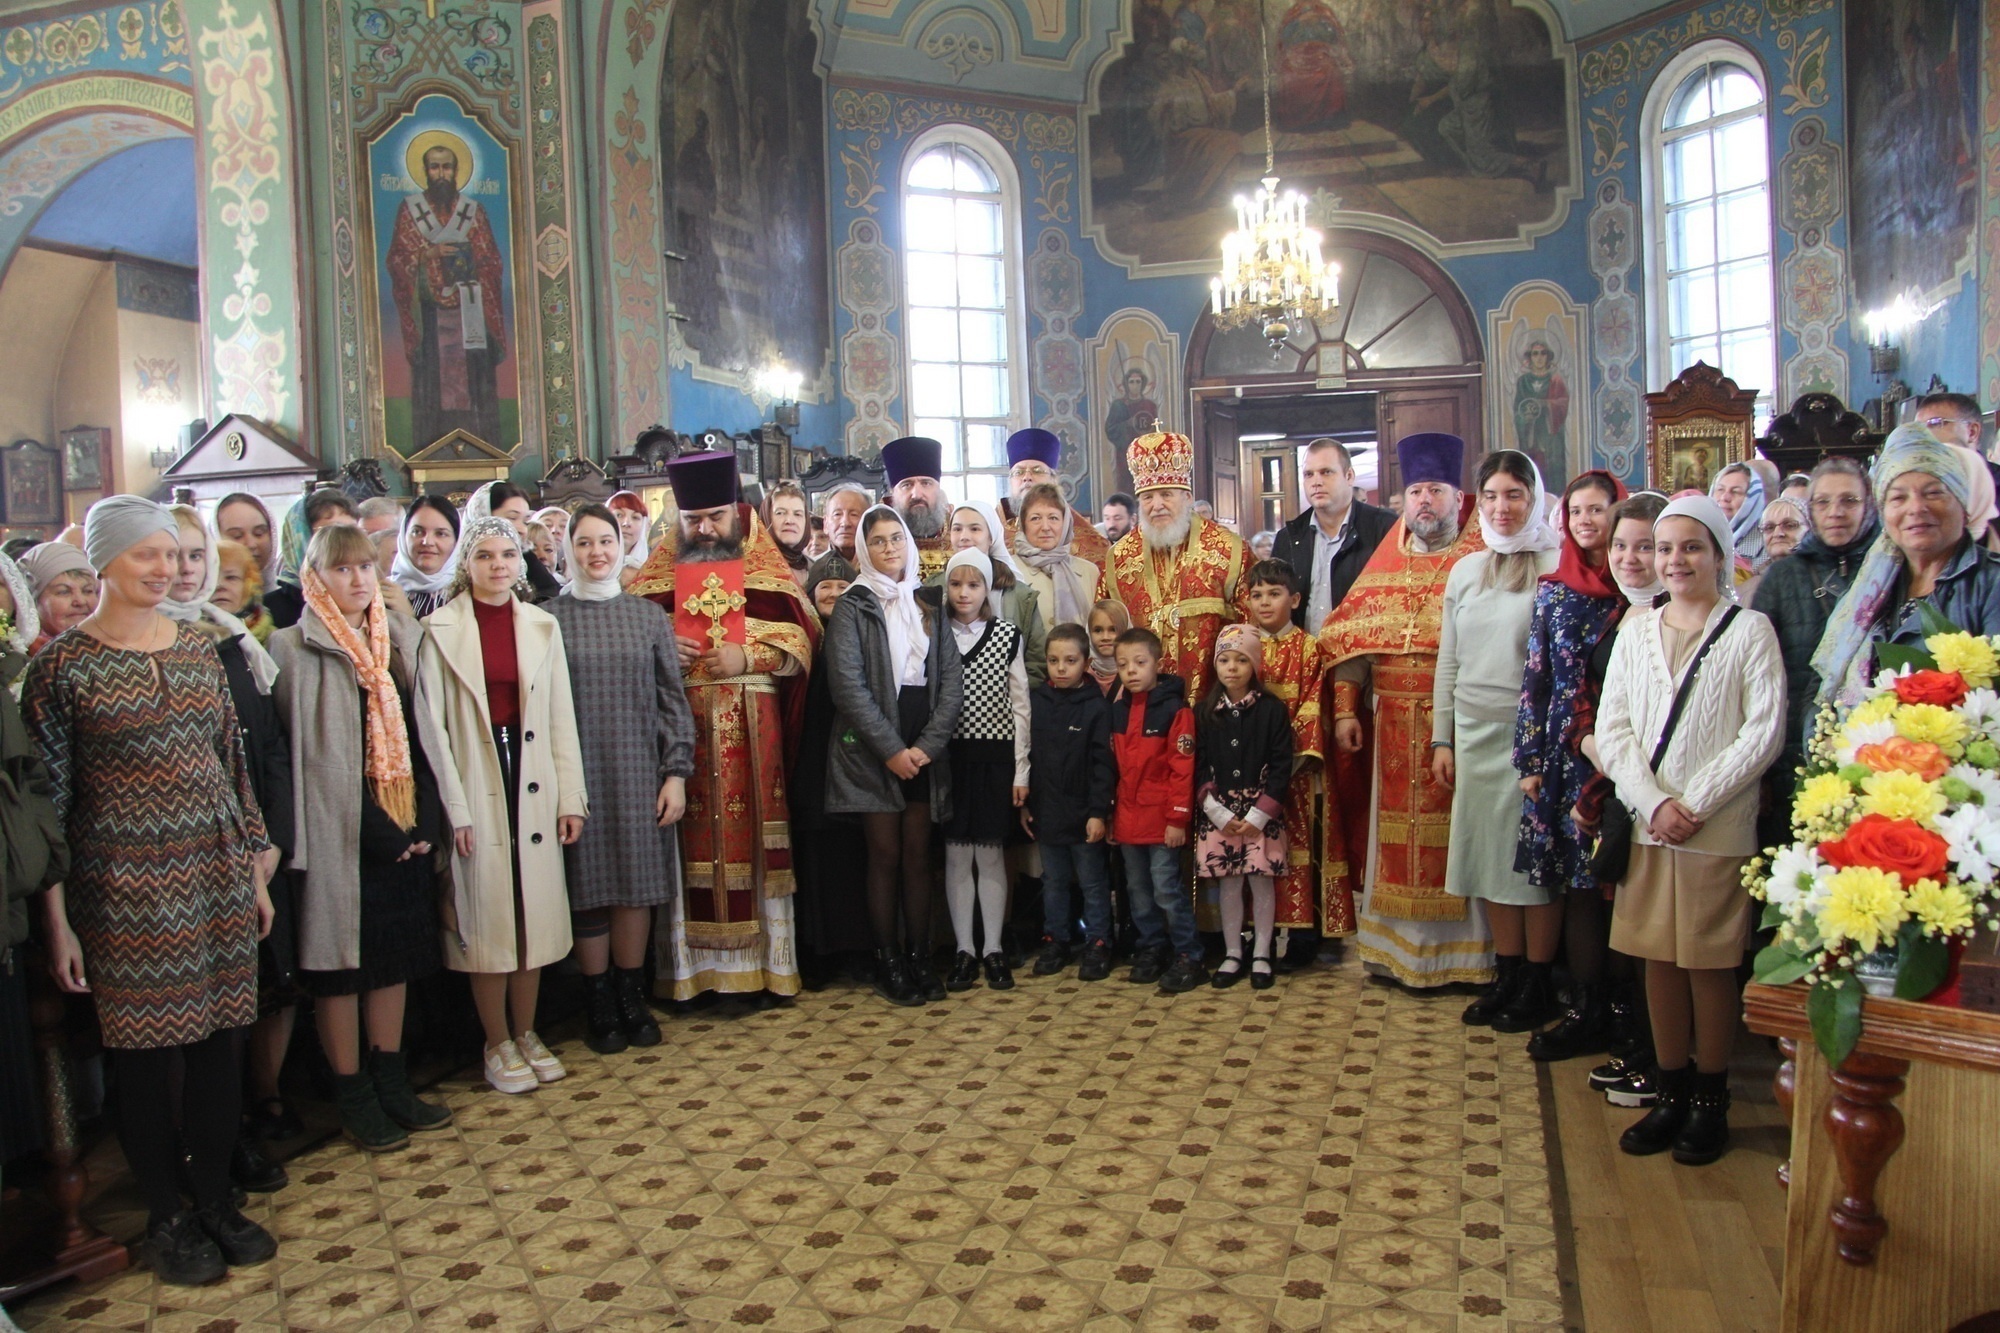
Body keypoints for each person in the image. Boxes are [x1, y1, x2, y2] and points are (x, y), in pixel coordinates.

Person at [28, 495, 281, 1285]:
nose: (167, 568)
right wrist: (59, 923)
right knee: (145, 1057)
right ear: (104, 561)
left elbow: (232, 766)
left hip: (215, 873)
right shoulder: (63, 668)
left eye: (173, 554)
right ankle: (166, 1214)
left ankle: (215, 1199)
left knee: (217, 1047)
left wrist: (254, 865)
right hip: (124, 889)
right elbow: (48, 806)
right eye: (148, 554)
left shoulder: (199, 648)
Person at [1597, 495, 1783, 1165]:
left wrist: (1692, 803)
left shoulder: (1749, 630)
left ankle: (1710, 1097)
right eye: (1664, 548)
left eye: (1691, 547)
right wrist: (1653, 803)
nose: (1675, 560)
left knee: (1708, 964)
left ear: (1719, 554)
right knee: (1658, 961)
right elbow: (1613, 729)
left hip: (1715, 826)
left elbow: (1762, 730)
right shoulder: (1637, 630)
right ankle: (1670, 1089)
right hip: (1652, 825)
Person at [270, 523, 457, 1152]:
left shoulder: (397, 637)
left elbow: (423, 731)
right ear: (314, 578)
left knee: (393, 964)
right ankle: (353, 1094)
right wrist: (378, 828)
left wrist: (423, 819)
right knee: (342, 972)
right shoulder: (291, 648)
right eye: (341, 569)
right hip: (340, 837)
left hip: (403, 827)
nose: (357, 581)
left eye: (364, 568)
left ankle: (392, 1082)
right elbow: (309, 760)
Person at [628, 453, 819, 1001]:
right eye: (693, 520)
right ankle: (690, 976)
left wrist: (748, 656)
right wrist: (660, 644)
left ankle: (766, 970)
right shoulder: (657, 575)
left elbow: (804, 640)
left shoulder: (766, 567)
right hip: (681, 734)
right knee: (684, 846)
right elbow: (629, 638)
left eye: (716, 517)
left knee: (757, 844)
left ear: (737, 513)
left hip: (756, 731)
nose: (706, 529)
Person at [419, 515, 587, 1094]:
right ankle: (496, 1040)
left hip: (532, 771)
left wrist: (571, 797)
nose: (498, 566)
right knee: (489, 914)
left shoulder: (541, 624)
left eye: (508, 556)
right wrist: (456, 809)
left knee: (531, 910)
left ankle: (527, 1030)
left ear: (521, 563)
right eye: (485, 556)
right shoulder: (439, 628)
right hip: (475, 771)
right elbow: (434, 730)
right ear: (467, 564)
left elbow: (561, 716)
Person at [1320, 432, 1491, 988]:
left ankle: (1464, 957)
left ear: (1458, 497)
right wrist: (1346, 710)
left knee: (1460, 835)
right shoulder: (1385, 562)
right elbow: (1351, 641)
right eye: (1416, 491)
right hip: (1391, 721)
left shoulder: (1481, 562)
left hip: (1461, 723)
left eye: (1436, 490)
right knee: (1392, 836)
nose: (1425, 502)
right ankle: (1396, 954)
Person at [165, 505, 293, 1192]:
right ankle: (199, 1146)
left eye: (196, 557)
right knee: (194, 1009)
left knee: (246, 1001)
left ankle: (237, 1124)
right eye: (175, 556)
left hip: (250, 844)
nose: (187, 570)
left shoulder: (232, 640)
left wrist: (269, 839)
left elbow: (263, 744)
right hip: (181, 855)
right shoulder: (150, 645)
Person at [547, 504, 694, 1051]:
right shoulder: (546, 618)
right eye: (584, 543)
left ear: (621, 545)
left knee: (635, 887)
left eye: (605, 541)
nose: (597, 552)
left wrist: (675, 773)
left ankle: (632, 997)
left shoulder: (647, 616)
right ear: (569, 549)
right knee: (588, 890)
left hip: (637, 768)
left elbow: (672, 701)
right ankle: (599, 1002)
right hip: (575, 773)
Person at [1429, 451, 1560, 1025]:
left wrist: (1546, 746)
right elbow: (1449, 659)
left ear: (1535, 498)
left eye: (1514, 495)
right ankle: (1506, 975)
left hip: (1530, 740)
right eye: (1490, 496)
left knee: (1529, 867)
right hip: (1473, 732)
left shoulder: (1557, 565)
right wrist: (1442, 737)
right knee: (1486, 862)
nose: (1501, 507)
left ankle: (1538, 982)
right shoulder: (1465, 570)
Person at [823, 506, 963, 1007]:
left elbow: (950, 682)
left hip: (923, 739)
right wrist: (891, 750)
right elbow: (848, 687)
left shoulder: (928, 601)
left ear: (907, 543)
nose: (889, 549)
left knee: (918, 855)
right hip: (873, 744)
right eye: (878, 541)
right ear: (866, 549)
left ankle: (921, 958)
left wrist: (926, 747)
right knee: (884, 855)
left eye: (895, 539)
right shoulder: (853, 605)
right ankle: (889, 961)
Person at [1510, 471, 1629, 1057]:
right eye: (1576, 511)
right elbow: (1536, 677)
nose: (1586, 520)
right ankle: (1587, 1007)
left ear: (1618, 514)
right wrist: (1529, 758)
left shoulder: (1639, 587)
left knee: (1622, 886)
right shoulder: (1555, 589)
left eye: (1597, 510)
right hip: (1562, 754)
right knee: (1577, 886)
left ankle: (1629, 1012)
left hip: (1625, 752)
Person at [1558, 492, 1669, 1092]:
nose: (1629, 557)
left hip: (1652, 791)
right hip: (1609, 782)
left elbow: (1654, 725)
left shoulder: (1674, 620)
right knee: (1617, 914)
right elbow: (1587, 698)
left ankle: (1659, 1056)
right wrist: (1589, 750)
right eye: (1621, 545)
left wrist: (1605, 782)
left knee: (1651, 930)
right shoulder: (1620, 611)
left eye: (1645, 546)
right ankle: (1631, 1037)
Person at [1815, 424, 2000, 707]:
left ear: (1963, 505)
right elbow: (1822, 686)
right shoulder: (1867, 589)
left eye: (1933, 493)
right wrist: (1820, 732)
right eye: (1899, 498)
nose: (1916, 508)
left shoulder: (1991, 583)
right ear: (1884, 514)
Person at [1750, 457, 1878, 844]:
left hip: (1872, 747)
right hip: (1793, 751)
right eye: (1823, 502)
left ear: (1869, 505)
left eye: (1849, 501)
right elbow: (1756, 677)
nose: (1835, 512)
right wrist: (1761, 771)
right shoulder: (1783, 576)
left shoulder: (1888, 569)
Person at [1099, 428, 1251, 702]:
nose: (1157, 505)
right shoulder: (1119, 558)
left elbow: (1250, 627)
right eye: (1148, 497)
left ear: (1187, 497)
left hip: (1212, 702)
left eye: (1166, 494)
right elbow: (1104, 630)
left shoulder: (1229, 550)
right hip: (1140, 706)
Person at [937, 548, 1030, 992]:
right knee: (957, 855)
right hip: (949, 760)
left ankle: (993, 947)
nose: (964, 593)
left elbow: (1021, 706)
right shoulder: (935, 633)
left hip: (995, 758)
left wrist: (1021, 770)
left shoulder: (1007, 635)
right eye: (956, 584)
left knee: (991, 854)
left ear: (987, 588)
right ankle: (964, 950)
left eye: (973, 585)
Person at [1241, 558, 1345, 949]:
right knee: (1253, 850)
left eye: (1274, 594)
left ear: (1295, 599)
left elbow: (1313, 707)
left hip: (1297, 773)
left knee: (1300, 848)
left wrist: (1284, 764)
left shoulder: (1309, 648)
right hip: (1248, 772)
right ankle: (1257, 935)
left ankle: (1303, 934)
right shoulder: (1240, 648)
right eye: (1257, 595)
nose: (1264, 602)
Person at [385, 142, 507, 449]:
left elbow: (492, 262)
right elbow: (397, 260)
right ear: (426, 171)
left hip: (470, 316)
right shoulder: (410, 211)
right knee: (434, 386)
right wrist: (427, 255)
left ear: (456, 171)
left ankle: (480, 446)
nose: (441, 174)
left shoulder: (474, 212)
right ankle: (433, 447)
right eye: (434, 167)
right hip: (430, 318)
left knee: (474, 384)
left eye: (447, 167)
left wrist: (471, 270)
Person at [790, 555, 874, 986]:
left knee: (855, 861)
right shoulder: (802, 638)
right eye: (826, 587)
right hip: (810, 770)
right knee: (816, 863)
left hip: (856, 769)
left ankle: (857, 952)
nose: (835, 595)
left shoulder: (864, 636)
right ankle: (818, 954)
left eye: (845, 589)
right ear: (811, 594)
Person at [1195, 624, 1293, 989]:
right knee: (1229, 885)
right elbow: (1198, 764)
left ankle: (1263, 952)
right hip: (1220, 813)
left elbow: (1282, 765)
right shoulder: (1204, 711)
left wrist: (1260, 814)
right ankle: (1233, 951)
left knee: (1261, 882)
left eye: (1241, 660)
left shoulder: (1272, 710)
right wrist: (1216, 812)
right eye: (1224, 660)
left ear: (1255, 665)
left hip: (1260, 814)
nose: (1232, 668)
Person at [1108, 626, 1203, 992]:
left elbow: (1182, 767)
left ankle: (1188, 953)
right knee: (1138, 890)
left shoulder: (1175, 710)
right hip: (1127, 819)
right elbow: (1114, 769)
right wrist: (1112, 815)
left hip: (1163, 820)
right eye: (1123, 665)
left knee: (1166, 888)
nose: (1131, 671)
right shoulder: (1118, 710)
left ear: (1157, 664)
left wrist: (1177, 818)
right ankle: (1152, 947)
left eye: (1139, 663)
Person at [1026, 624, 1114, 980]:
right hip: (1047, 810)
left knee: (1092, 882)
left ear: (1086, 663)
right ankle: (1056, 939)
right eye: (1053, 661)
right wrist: (1027, 805)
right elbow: (1029, 757)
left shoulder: (1096, 707)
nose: (1061, 668)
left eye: (1070, 661)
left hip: (1084, 813)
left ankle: (1098, 941)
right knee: (1054, 881)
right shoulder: (1037, 701)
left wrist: (1098, 812)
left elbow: (1103, 766)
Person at [945, 499, 1047, 685]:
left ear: (991, 537)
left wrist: (1010, 693)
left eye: (975, 529)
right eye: (957, 529)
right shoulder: (935, 588)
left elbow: (1036, 661)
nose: (964, 537)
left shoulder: (1019, 595)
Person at [996, 428, 1110, 569]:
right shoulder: (991, 527)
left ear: (1053, 479)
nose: (1027, 477)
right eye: (1019, 472)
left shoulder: (1087, 541)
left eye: (1037, 470)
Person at [1012, 480, 1102, 641]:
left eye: (1053, 518)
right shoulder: (1009, 570)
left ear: (1065, 523)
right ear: (1023, 525)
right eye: (1035, 518)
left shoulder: (1089, 572)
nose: (1045, 527)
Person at [266, 489, 359, 629]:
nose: (345, 541)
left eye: (352, 531)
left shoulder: (368, 596)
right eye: (332, 531)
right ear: (302, 536)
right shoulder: (268, 612)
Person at [881, 436, 955, 580]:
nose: (916, 494)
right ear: (893, 492)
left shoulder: (958, 533)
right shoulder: (877, 534)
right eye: (907, 485)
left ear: (938, 489)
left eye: (926, 483)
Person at [476, 482, 562, 602]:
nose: (522, 530)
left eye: (525, 522)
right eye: (512, 518)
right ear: (483, 516)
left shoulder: (531, 565)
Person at [390, 494, 462, 618]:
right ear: (403, 537)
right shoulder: (385, 593)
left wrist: (408, 617)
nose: (427, 542)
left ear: (457, 541)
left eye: (440, 534)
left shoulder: (468, 594)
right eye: (417, 532)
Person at [21, 542, 99, 654]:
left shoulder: (115, 646)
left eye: (88, 591)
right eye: (64, 592)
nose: (80, 601)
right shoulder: (20, 656)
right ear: (33, 602)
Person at [212, 538, 275, 644]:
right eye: (211, 578)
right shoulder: (188, 637)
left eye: (231, 578)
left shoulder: (275, 639)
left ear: (249, 584)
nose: (219, 585)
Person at [215, 492, 279, 588]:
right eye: (237, 536)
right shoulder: (203, 595)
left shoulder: (294, 594)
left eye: (259, 533)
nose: (251, 544)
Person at [764, 479, 813, 590]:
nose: (790, 521)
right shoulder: (753, 567)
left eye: (798, 514)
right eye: (780, 513)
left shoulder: (816, 569)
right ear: (767, 518)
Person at [1087, 599, 1131, 693]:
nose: (1105, 637)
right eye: (1098, 630)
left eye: (1113, 630)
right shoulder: (1080, 675)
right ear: (1089, 632)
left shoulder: (1135, 674)